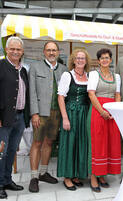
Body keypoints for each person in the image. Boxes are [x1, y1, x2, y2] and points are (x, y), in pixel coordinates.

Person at [29, 41, 68, 193]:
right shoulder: (35, 67)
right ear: (44, 52)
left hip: (56, 113)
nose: (51, 53)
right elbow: (31, 92)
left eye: (54, 50)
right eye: (48, 50)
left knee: (49, 142)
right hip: (41, 112)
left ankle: (43, 172)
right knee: (37, 142)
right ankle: (34, 176)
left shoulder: (63, 69)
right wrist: (34, 113)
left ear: (58, 52)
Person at [87, 48, 121, 192]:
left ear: (111, 60)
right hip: (97, 112)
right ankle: (94, 177)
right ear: (99, 61)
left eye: (107, 57)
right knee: (97, 145)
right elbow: (91, 94)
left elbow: (117, 94)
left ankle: (102, 175)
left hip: (112, 113)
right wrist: (102, 111)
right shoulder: (94, 74)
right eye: (102, 58)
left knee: (109, 144)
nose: (105, 60)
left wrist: (116, 110)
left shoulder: (116, 76)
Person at [0, 36, 30, 199]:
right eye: (12, 48)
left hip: (19, 117)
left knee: (12, 151)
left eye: (18, 49)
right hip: (3, 118)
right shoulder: (1, 66)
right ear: (6, 49)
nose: (15, 52)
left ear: (22, 51)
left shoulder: (23, 70)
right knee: (1, 153)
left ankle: (7, 180)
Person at [57, 49, 91, 191]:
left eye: (83, 58)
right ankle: (67, 177)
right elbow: (60, 97)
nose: (80, 60)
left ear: (86, 60)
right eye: (78, 58)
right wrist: (65, 118)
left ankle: (76, 174)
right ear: (73, 60)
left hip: (84, 113)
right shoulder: (67, 75)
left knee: (81, 143)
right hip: (71, 112)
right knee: (69, 144)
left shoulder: (89, 76)